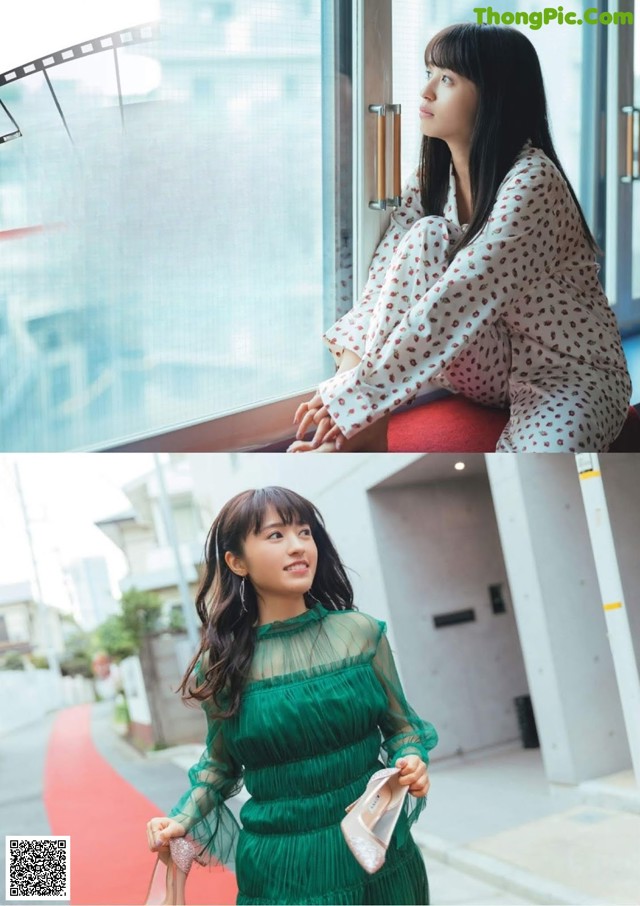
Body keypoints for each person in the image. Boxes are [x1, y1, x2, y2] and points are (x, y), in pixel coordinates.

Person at [289, 23, 631, 454]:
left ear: (493, 97)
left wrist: (355, 395)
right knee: (425, 234)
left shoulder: (533, 181)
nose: (426, 91)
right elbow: (382, 288)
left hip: (569, 373)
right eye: (429, 73)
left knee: (533, 474)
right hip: (489, 364)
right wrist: (350, 394)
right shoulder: (434, 178)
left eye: (446, 79)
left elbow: (461, 295)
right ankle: (365, 436)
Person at [146, 486, 438, 905]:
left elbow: (403, 729)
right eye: (276, 536)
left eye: (305, 532)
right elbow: (219, 764)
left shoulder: (360, 633)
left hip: (375, 852)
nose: (299, 546)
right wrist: (181, 820)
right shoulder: (225, 660)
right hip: (281, 868)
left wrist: (411, 760)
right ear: (237, 562)